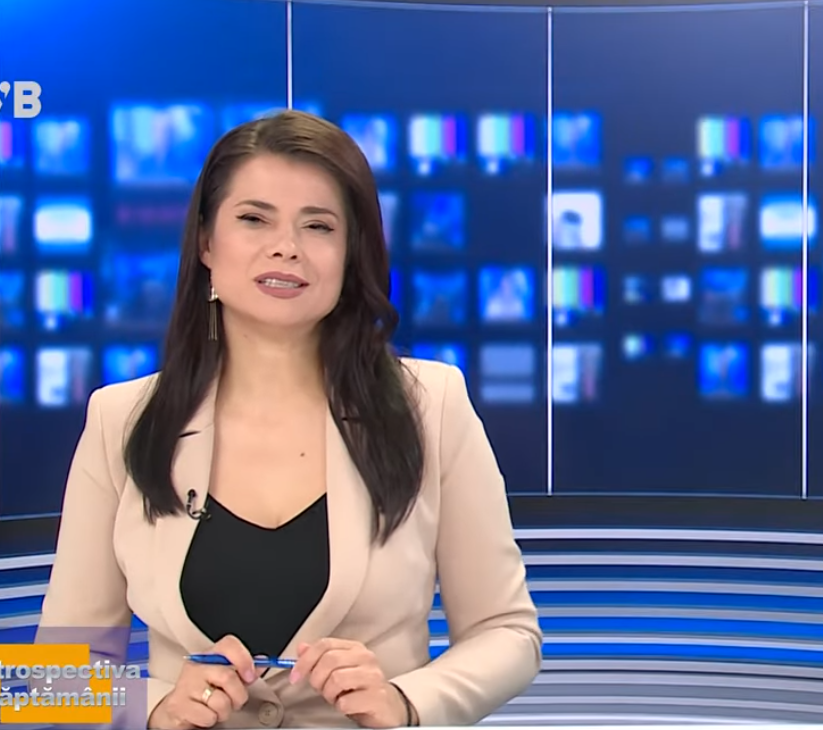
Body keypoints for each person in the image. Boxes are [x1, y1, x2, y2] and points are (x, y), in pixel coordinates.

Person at [39, 110, 542, 729]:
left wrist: (407, 701)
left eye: (318, 225)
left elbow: (507, 632)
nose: (286, 247)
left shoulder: (430, 406)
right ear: (205, 243)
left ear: (349, 254)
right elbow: (48, 680)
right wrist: (152, 708)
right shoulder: (121, 420)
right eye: (254, 219)